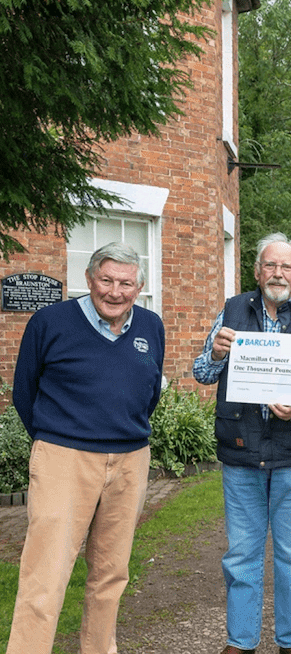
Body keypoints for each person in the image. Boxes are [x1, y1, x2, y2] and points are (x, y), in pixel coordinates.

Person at [193, 233, 291, 654]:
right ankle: (240, 641)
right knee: (241, 555)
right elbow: (203, 374)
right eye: (270, 266)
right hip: (241, 450)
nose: (277, 273)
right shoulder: (230, 311)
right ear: (258, 271)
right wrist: (218, 355)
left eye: (286, 267)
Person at [8, 242, 165, 654]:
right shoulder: (50, 322)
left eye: (126, 283)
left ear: (140, 286)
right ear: (89, 280)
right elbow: (24, 393)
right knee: (46, 573)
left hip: (131, 459)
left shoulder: (152, 326)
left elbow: (148, 392)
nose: (115, 292)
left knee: (111, 574)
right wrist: (59, 438)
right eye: (107, 280)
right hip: (65, 456)